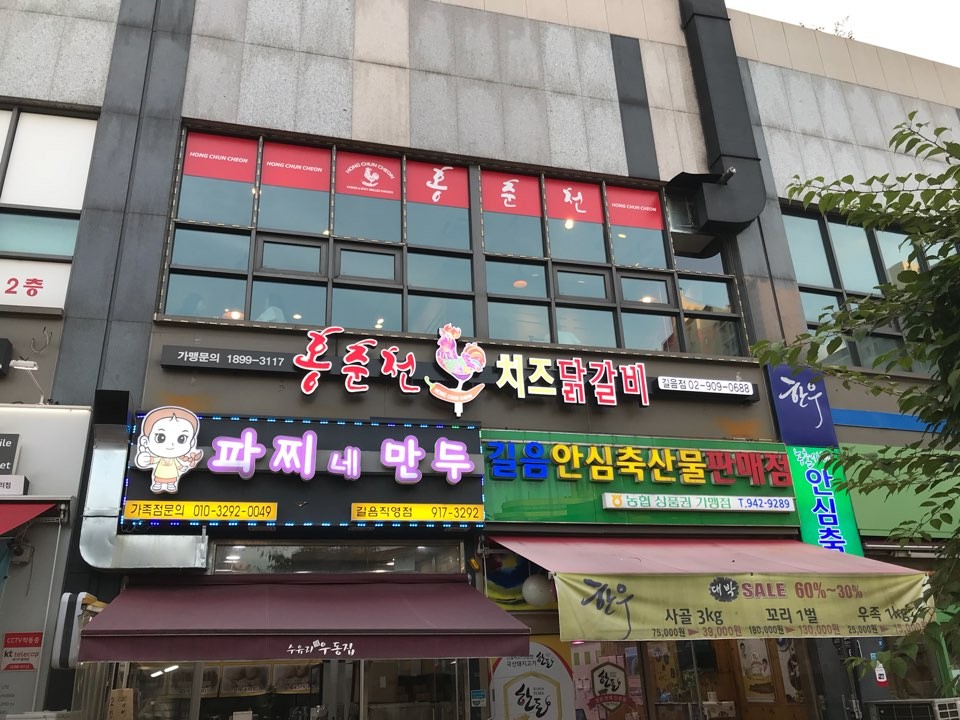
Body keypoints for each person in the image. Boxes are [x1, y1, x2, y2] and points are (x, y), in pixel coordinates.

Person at [134, 406, 203, 493]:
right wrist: (144, 460)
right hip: (160, 472)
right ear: (145, 441)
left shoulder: (176, 459)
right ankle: (158, 484)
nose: (171, 444)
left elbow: (178, 464)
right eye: (161, 437)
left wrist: (182, 467)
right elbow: (152, 460)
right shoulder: (160, 457)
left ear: (192, 442)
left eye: (182, 438)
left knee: (171, 479)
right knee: (159, 478)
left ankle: (170, 484)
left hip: (172, 473)